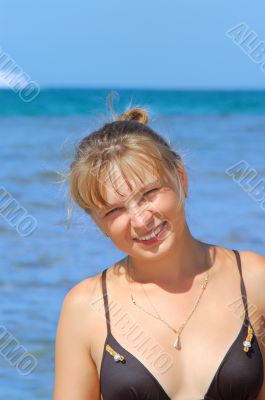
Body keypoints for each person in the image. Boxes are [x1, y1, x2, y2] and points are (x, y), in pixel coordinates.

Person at [53, 107, 265, 400]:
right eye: (114, 210)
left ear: (181, 178)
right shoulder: (85, 307)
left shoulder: (254, 279)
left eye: (149, 193)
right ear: (98, 223)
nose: (140, 220)